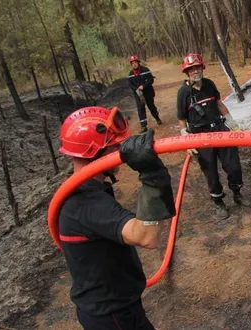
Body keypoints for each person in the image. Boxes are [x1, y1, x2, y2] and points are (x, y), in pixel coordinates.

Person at [57, 105, 176, 330]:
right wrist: (153, 177)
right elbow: (147, 237)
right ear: (96, 151)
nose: (120, 149)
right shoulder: (86, 203)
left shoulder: (86, 189)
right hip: (113, 316)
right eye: (115, 144)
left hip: (113, 307)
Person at [176, 53, 251, 220]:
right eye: (191, 69)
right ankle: (218, 202)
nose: (195, 71)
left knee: (233, 165)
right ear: (186, 72)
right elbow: (182, 119)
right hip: (200, 135)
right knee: (210, 171)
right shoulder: (183, 93)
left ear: (202, 68)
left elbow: (218, 104)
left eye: (197, 67)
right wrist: (186, 140)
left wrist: (232, 124)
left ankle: (237, 194)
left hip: (220, 129)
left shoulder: (209, 84)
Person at [128, 55, 162, 133]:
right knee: (141, 109)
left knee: (151, 106)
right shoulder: (130, 74)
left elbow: (151, 80)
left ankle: (157, 118)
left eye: (135, 62)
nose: (134, 64)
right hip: (138, 94)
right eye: (132, 63)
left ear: (138, 62)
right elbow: (130, 85)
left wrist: (144, 86)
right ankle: (143, 126)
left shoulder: (145, 70)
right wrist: (137, 89)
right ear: (131, 64)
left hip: (148, 92)